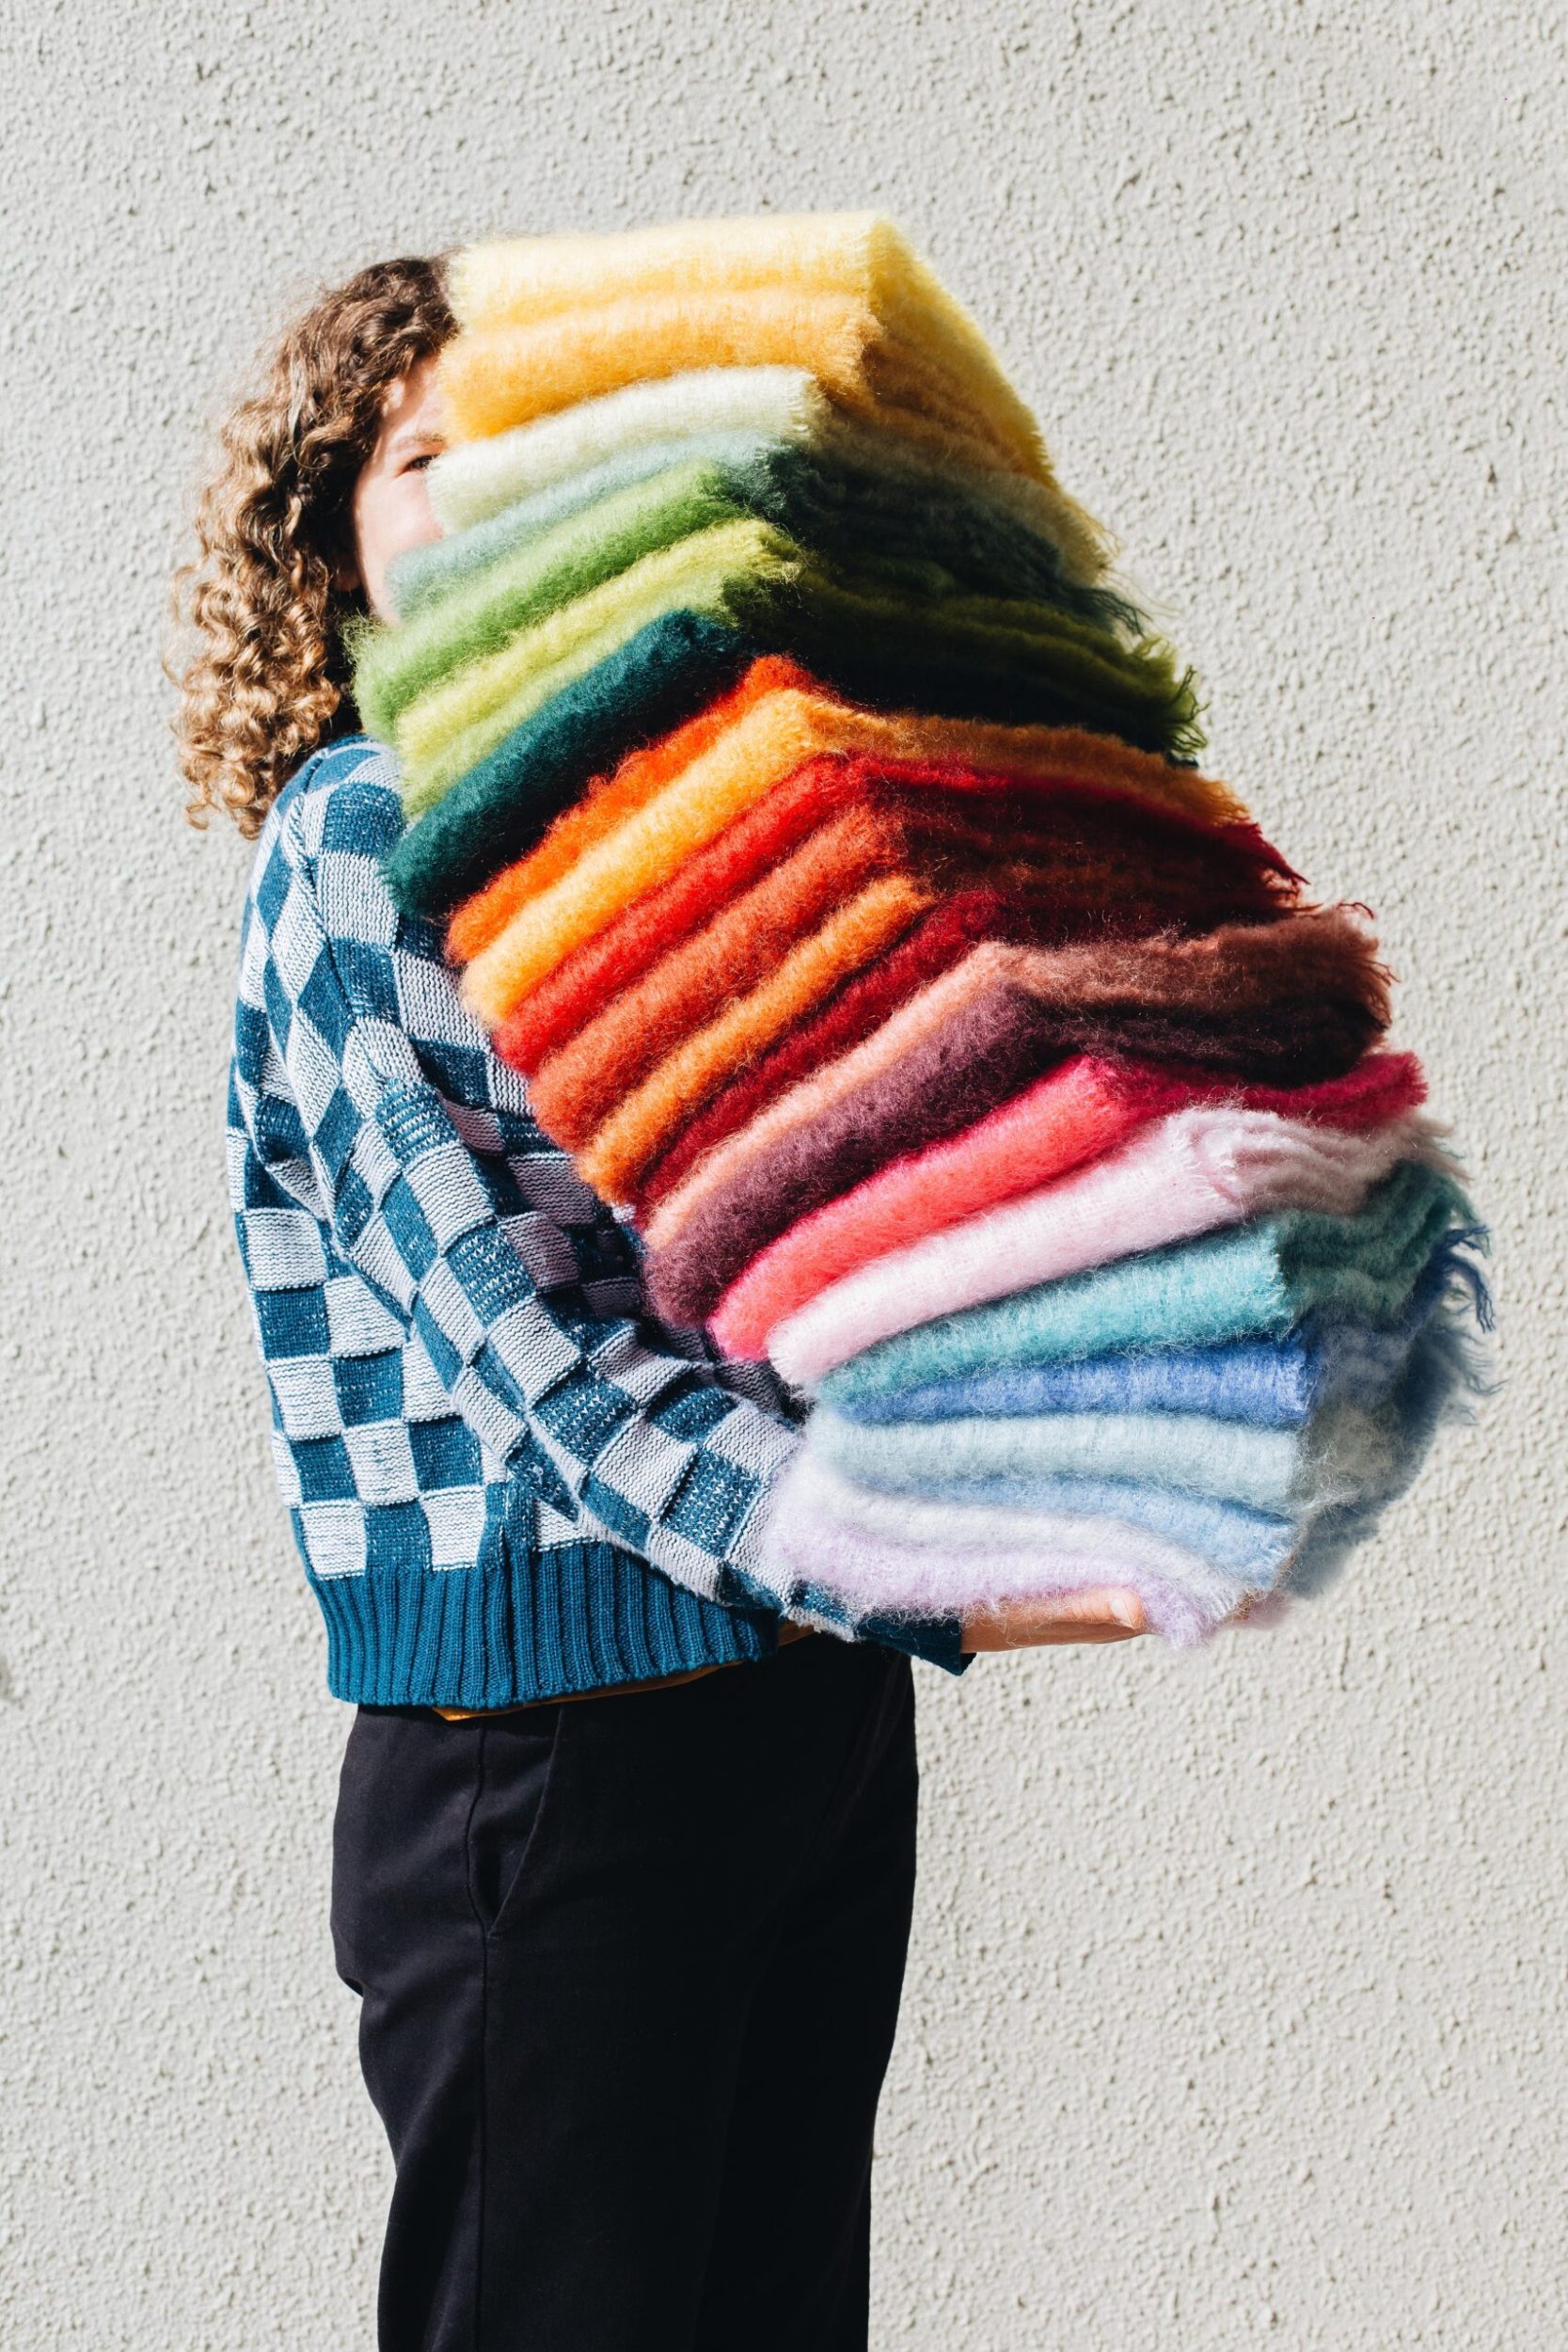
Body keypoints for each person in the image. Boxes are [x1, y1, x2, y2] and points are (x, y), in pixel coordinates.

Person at [169, 251, 1148, 2352]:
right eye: (424, 455)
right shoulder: (359, 850)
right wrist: (958, 1566)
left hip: (797, 1718)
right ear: (328, 539)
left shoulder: (637, 834)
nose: (486, 490)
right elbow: (555, 1388)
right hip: (545, 1773)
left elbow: (806, 1257)